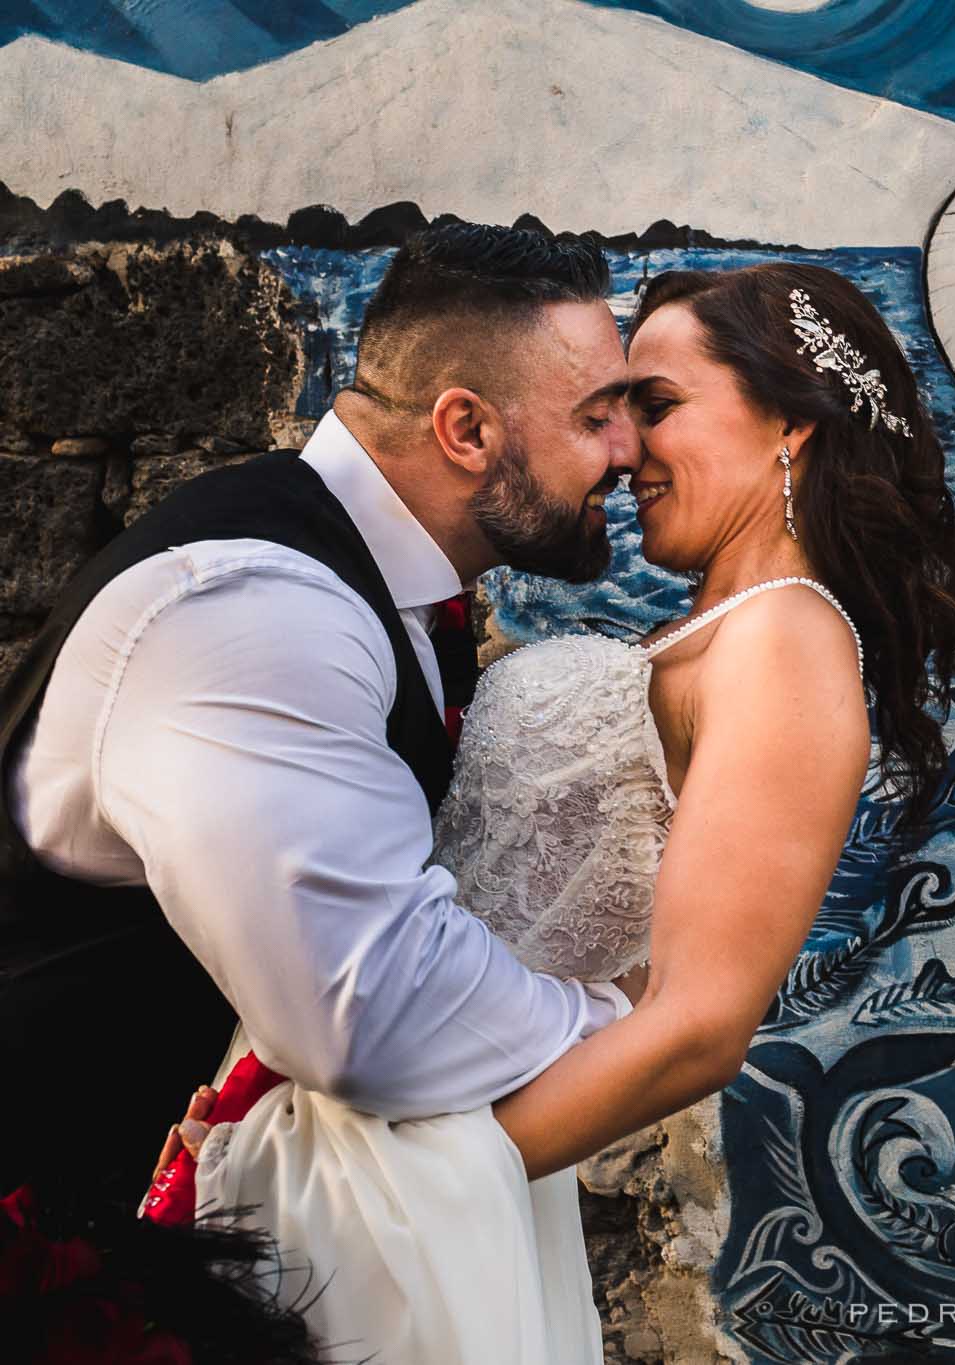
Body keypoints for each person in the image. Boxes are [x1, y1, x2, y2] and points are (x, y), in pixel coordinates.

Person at [172, 260, 955, 1361]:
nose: (626, 450)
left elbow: (697, 1022)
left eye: (657, 406)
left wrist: (433, 1182)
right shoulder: (717, 635)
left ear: (790, 425)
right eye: (612, 412)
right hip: (339, 1121)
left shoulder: (785, 640)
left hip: (414, 1184)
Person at [0, 222, 645, 1361]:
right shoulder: (251, 612)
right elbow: (369, 1013)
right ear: (464, 427)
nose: (630, 448)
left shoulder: (377, 585)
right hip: (52, 1262)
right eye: (597, 414)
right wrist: (639, 1030)